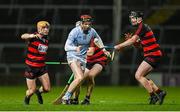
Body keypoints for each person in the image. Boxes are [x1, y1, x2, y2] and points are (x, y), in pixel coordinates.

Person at [114, 11, 166, 105]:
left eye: (134, 18)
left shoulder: (142, 27)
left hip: (153, 54)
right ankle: (160, 93)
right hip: (154, 55)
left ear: (140, 19)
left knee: (138, 75)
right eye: (131, 18)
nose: (132, 20)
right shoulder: (140, 28)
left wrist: (119, 46)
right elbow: (140, 46)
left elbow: (133, 39)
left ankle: (153, 96)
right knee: (143, 77)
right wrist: (135, 42)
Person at [62, 15, 106, 104]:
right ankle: (66, 97)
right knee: (80, 77)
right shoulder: (74, 32)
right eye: (85, 24)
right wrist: (75, 48)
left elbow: (98, 39)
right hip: (73, 56)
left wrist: (104, 49)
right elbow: (66, 47)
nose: (87, 26)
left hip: (82, 58)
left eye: (89, 24)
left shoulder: (92, 31)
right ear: (81, 24)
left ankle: (75, 100)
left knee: (78, 80)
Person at [21, 21, 51, 105]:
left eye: (47, 28)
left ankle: (38, 92)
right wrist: (31, 35)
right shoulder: (33, 37)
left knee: (47, 89)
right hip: (31, 67)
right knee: (31, 91)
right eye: (44, 28)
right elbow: (23, 36)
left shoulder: (47, 39)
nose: (46, 30)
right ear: (39, 29)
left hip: (42, 67)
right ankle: (27, 98)